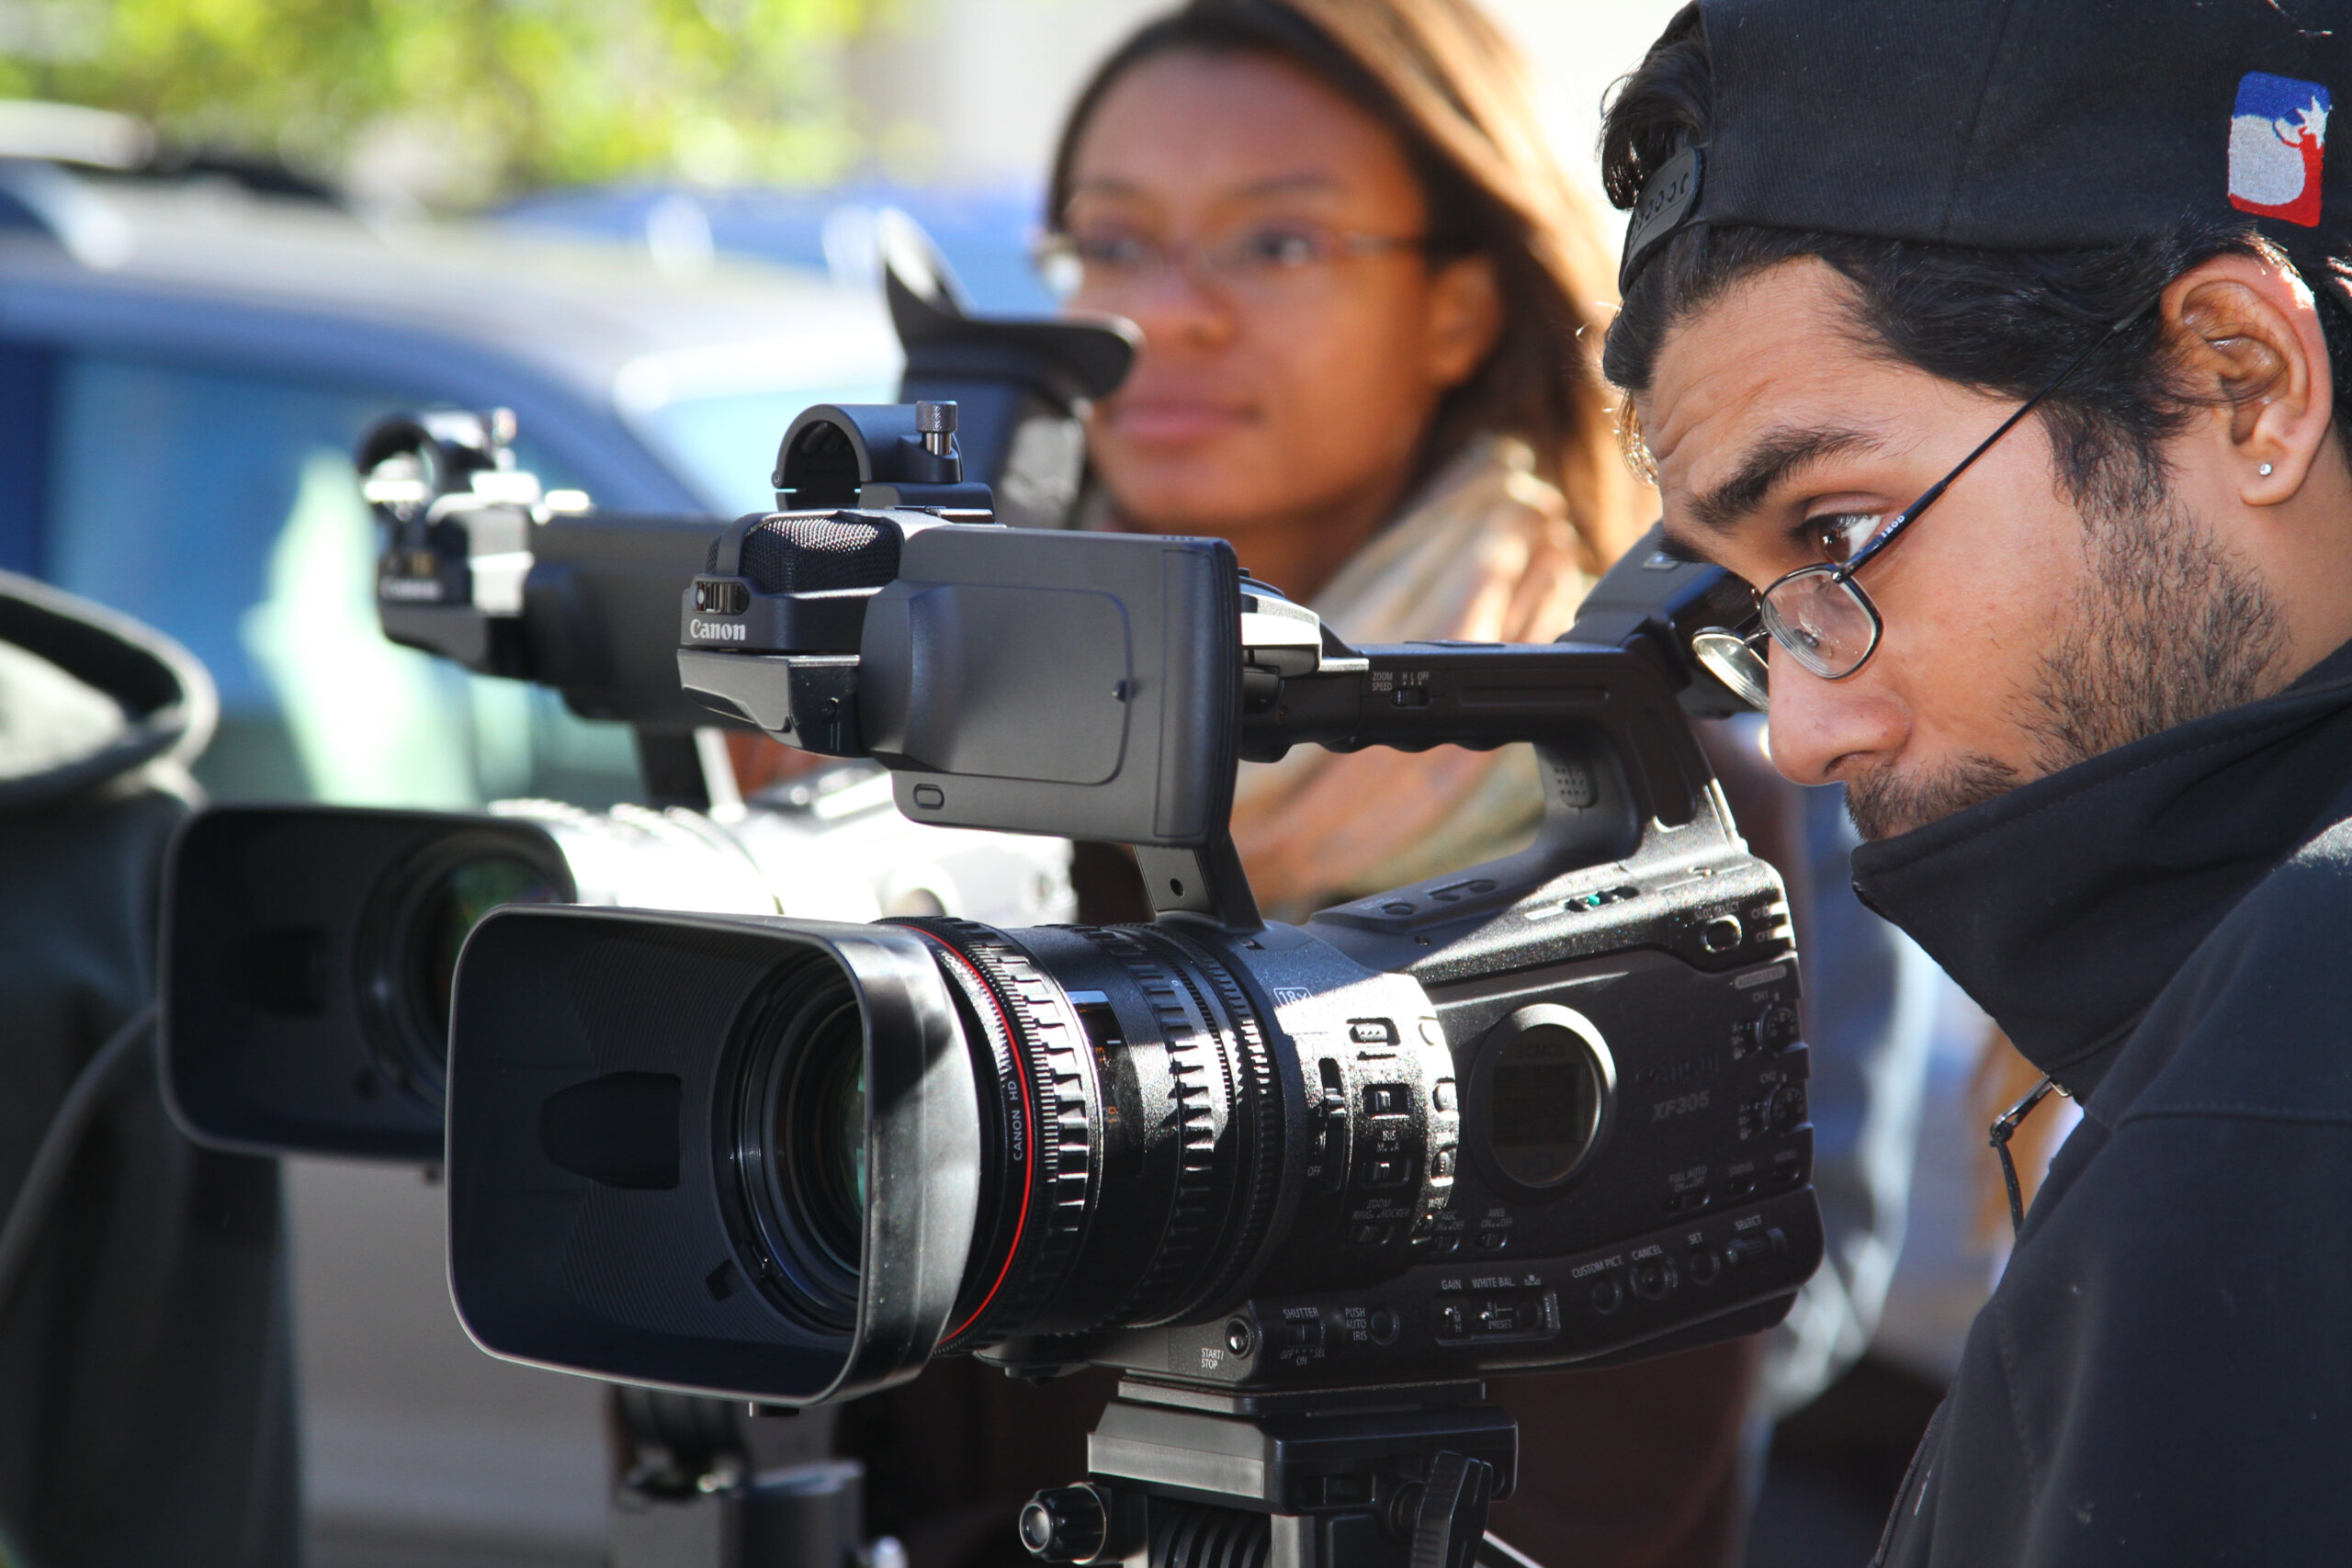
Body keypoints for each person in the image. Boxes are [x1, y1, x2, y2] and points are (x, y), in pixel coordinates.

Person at [846, 4, 1798, 1567]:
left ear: (1455, 309)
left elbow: (1600, 1488)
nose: (1164, 321)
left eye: (1275, 247)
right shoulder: (936, 756)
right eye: (1111, 245)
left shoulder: (1628, 787)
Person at [1601, 2, 2352, 1561]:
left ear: (2243, 384)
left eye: (1839, 535)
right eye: (1757, 618)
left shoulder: (2300, 1026)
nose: (1799, 735)